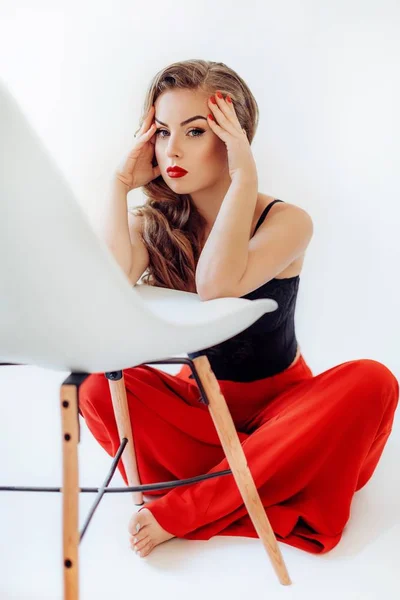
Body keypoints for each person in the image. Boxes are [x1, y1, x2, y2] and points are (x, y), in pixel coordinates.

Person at [78, 59, 399, 559]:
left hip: (290, 416)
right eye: (162, 132)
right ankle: (252, 483)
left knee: (372, 381)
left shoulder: (287, 221)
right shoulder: (157, 223)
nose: (173, 150)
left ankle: (194, 504)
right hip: (200, 414)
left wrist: (244, 175)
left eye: (196, 130)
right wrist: (119, 182)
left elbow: (217, 285)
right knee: (97, 385)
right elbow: (109, 284)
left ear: (234, 137)